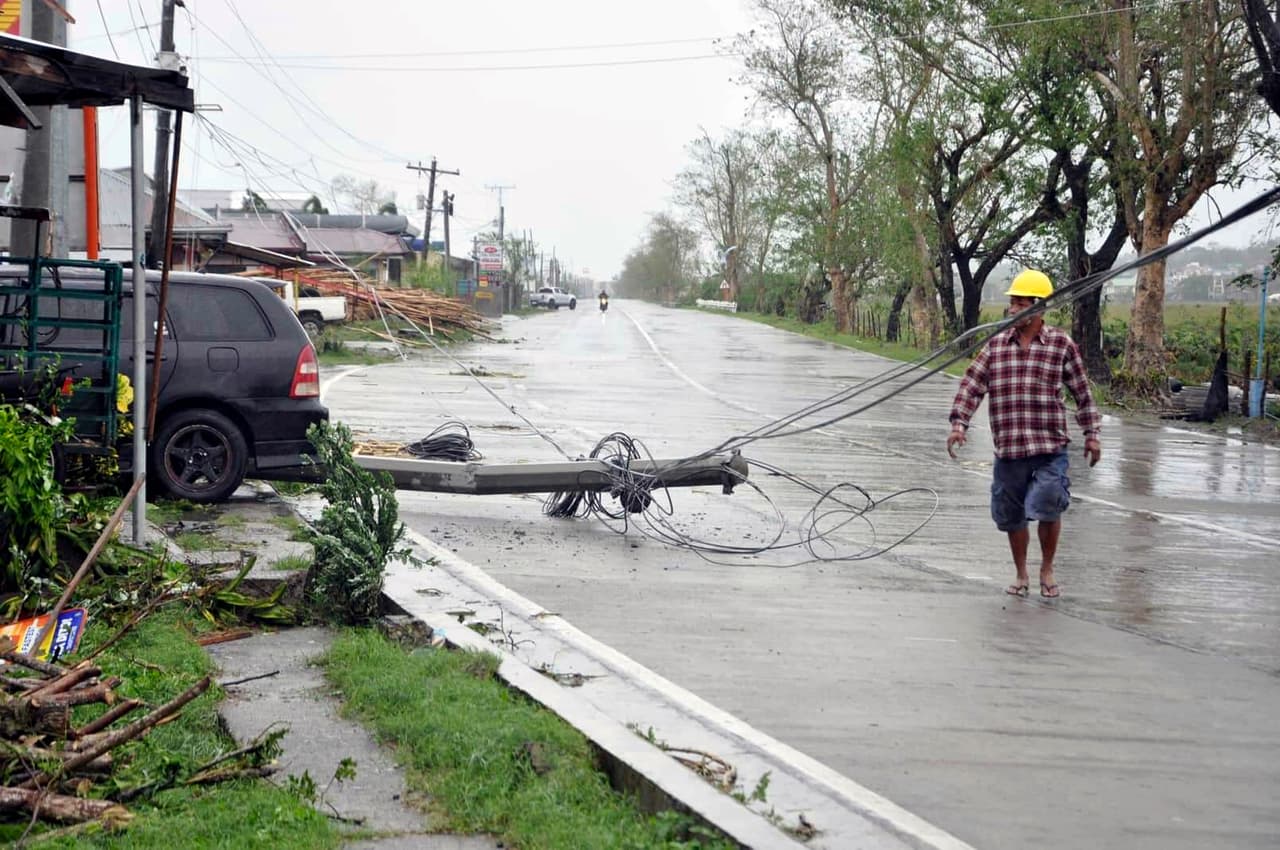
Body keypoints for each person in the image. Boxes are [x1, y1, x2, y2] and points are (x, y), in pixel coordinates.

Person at [946, 269, 1102, 599]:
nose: (1012, 309)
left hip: (1049, 445)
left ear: (1038, 308)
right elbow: (972, 385)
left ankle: (1047, 568)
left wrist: (1092, 433)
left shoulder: (1061, 345)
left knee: (1048, 502)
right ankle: (1021, 573)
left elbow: (1082, 392)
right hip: (1010, 448)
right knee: (1011, 513)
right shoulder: (996, 346)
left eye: (1020, 302)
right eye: (1012, 302)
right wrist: (959, 424)